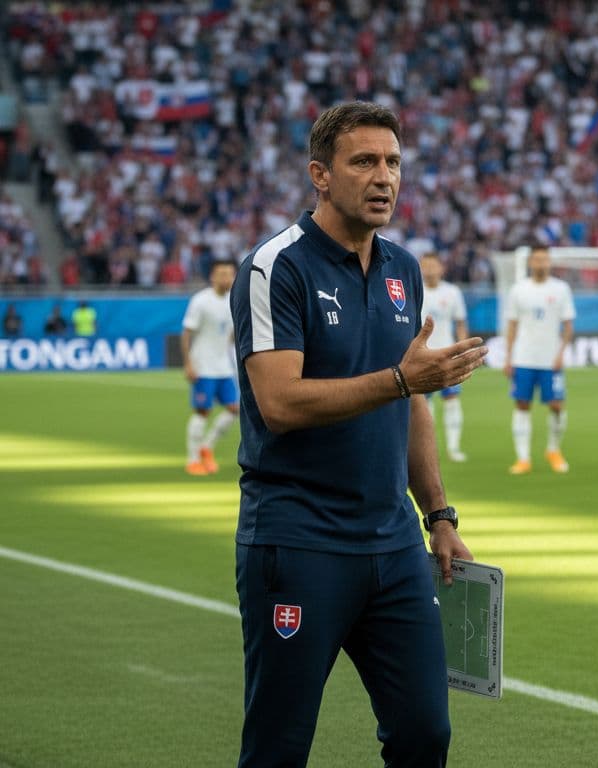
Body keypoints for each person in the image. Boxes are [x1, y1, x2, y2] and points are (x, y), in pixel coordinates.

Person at [229, 102, 485, 767]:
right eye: (364, 161)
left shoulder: (403, 270)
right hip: (298, 539)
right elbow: (280, 403)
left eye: (394, 162)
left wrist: (439, 515)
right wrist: (401, 381)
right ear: (320, 174)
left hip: (394, 543)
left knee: (426, 733)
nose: (384, 178)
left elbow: (415, 404)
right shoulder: (275, 267)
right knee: (279, 747)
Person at [503, 244, 575, 474]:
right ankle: (523, 458)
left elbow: (568, 325)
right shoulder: (519, 290)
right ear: (530, 263)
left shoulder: (561, 289)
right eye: (537, 259)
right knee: (522, 404)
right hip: (524, 358)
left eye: (545, 259)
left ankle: (553, 449)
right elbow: (512, 325)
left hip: (550, 359)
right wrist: (508, 356)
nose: (541, 263)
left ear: (549, 262)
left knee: (556, 405)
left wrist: (562, 352)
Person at [182, 260, 239, 475]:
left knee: (234, 409)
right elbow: (187, 333)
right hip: (203, 366)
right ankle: (193, 459)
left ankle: (207, 447)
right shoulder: (201, 301)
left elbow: (230, 335)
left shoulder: (232, 301)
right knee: (202, 412)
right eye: (223, 274)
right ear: (213, 276)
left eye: (231, 274)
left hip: (223, 366)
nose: (227, 278)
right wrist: (188, 363)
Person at [419, 252, 469, 462]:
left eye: (433, 266)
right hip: (424, 356)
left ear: (441, 268)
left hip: (448, 354)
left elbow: (460, 323)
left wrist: (463, 351)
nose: (430, 270)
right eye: (426, 266)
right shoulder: (415, 289)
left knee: (452, 400)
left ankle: (453, 448)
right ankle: (425, 448)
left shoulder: (452, 292)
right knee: (423, 406)